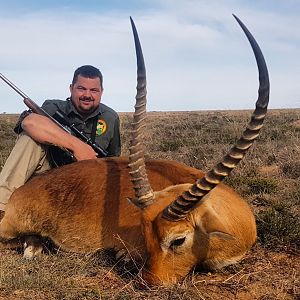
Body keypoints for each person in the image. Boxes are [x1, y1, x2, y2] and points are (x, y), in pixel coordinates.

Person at [0, 65, 121, 212]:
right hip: (49, 174)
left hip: (88, 184)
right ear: (71, 88)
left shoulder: (111, 117)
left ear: (101, 92)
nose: (87, 95)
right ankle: (2, 207)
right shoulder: (54, 107)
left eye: (94, 90)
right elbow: (29, 122)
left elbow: (115, 159)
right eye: (81, 88)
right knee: (29, 139)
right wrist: (77, 146)